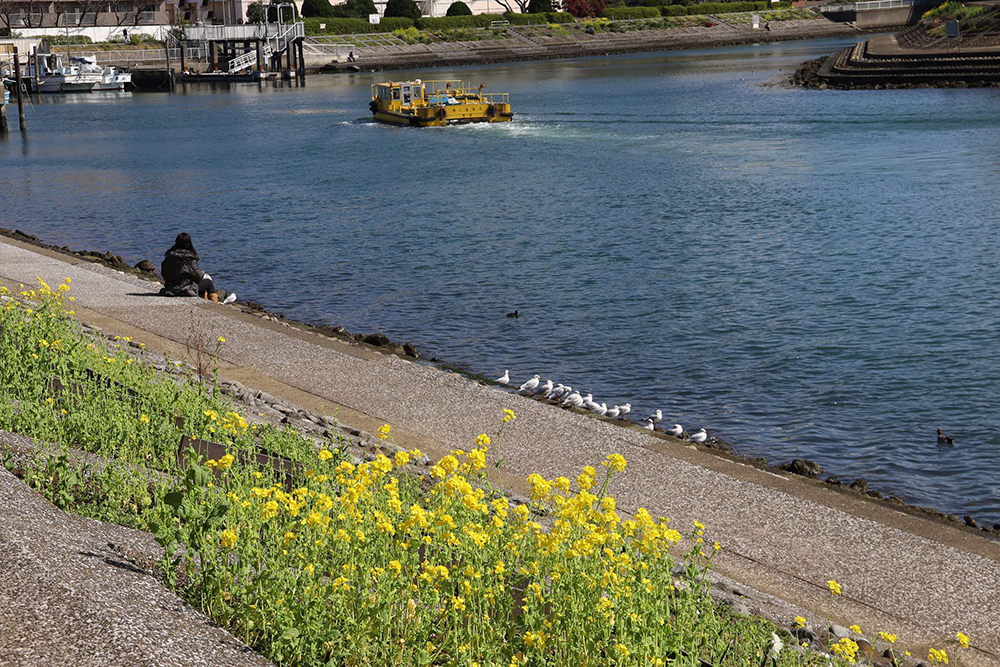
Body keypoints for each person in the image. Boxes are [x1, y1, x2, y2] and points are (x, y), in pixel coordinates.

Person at [159, 232, 219, 301]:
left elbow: (164, 274)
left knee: (199, 287)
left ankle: (204, 300)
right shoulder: (189, 259)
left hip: (170, 288)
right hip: (185, 290)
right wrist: (203, 273)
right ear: (189, 243)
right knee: (208, 283)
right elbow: (197, 276)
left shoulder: (168, 257)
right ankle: (214, 304)